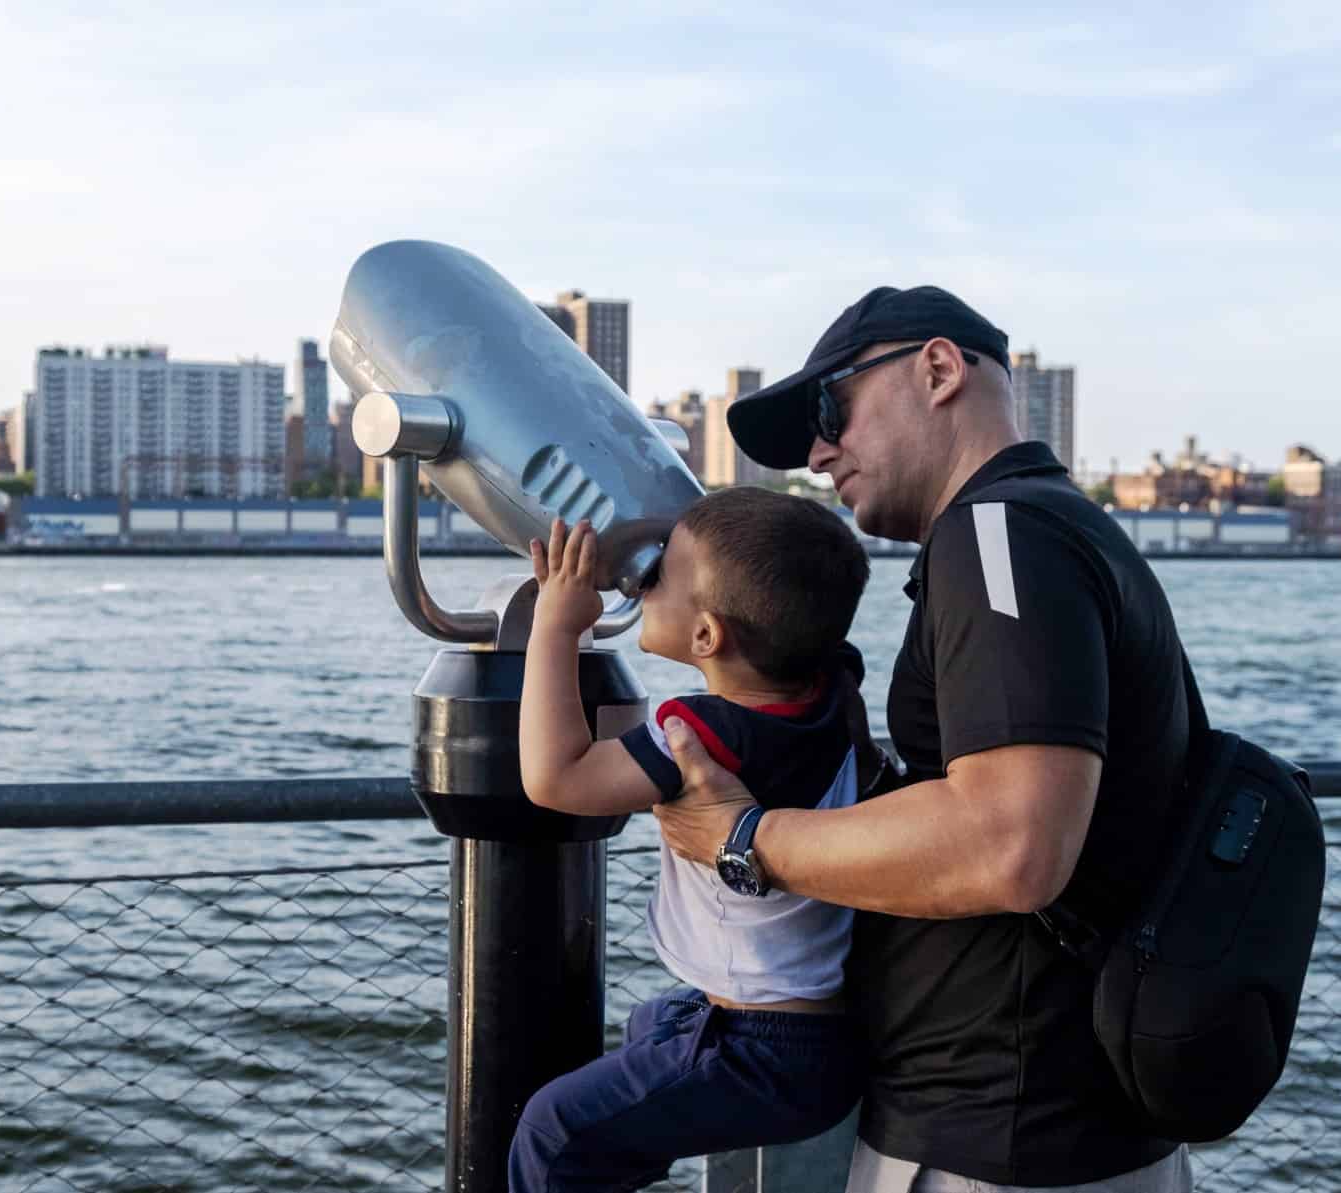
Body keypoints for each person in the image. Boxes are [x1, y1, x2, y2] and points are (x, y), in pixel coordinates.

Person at [652, 286, 1198, 1191]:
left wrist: (740, 839)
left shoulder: (999, 536)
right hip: (1043, 1125)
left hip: (1000, 1138)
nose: (818, 452)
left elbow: (1011, 844)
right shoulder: (1044, 527)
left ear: (938, 370)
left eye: (830, 410)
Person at [508, 488, 877, 1192]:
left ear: (706, 637)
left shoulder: (702, 733)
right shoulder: (832, 695)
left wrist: (555, 626)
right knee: (653, 1025)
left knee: (555, 1132)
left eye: (659, 574)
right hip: (809, 1036)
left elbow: (556, 778)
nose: (643, 583)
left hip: (762, 1049)